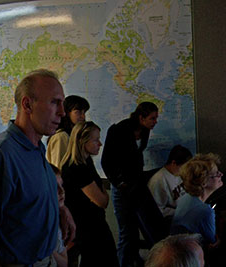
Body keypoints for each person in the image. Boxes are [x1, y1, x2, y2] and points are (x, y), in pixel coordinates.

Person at [0, 69, 76, 265]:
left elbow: (27, 200)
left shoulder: (36, 149)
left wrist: (60, 209)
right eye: (54, 102)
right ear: (27, 104)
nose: (62, 112)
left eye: (62, 103)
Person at [101, 101, 159, 267]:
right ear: (141, 117)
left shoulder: (144, 131)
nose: (155, 122)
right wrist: (120, 183)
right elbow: (107, 162)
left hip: (136, 185)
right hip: (123, 188)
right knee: (127, 233)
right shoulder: (119, 130)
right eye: (152, 118)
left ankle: (133, 261)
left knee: (139, 231)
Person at [61, 121, 118, 266]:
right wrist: (103, 192)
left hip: (93, 225)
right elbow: (102, 201)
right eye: (95, 140)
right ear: (82, 141)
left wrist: (101, 191)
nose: (100, 144)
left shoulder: (86, 162)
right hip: (88, 228)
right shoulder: (77, 168)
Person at [171, 153, 223, 248]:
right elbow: (213, 244)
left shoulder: (185, 198)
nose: (221, 174)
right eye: (216, 174)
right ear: (204, 182)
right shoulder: (205, 212)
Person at [148, 145, 193, 218]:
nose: (186, 171)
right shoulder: (158, 181)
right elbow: (158, 210)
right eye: (184, 167)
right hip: (176, 217)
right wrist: (180, 213)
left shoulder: (179, 174)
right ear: (174, 163)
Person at [47, 95, 90, 168]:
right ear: (67, 113)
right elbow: (58, 168)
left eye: (84, 112)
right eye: (78, 112)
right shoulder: (61, 137)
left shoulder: (74, 136)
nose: (83, 117)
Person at [51, 165, 69, 267]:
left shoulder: (57, 220)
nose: (62, 191)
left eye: (61, 185)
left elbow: (64, 263)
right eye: (55, 187)